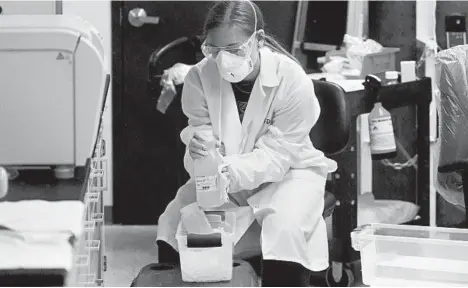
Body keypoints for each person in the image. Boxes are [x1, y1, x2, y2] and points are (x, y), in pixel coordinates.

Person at [156, 1, 337, 286]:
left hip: (290, 174)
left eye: (234, 49)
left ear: (259, 40)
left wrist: (226, 170)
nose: (223, 59)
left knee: (284, 227)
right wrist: (197, 151)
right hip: (221, 177)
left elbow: (278, 156)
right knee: (174, 221)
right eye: (215, 49)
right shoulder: (200, 78)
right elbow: (198, 135)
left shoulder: (291, 80)